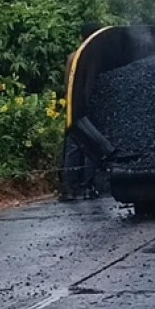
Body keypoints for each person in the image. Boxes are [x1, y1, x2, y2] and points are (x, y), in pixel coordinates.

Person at [61, 22, 103, 201]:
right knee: (92, 146)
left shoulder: (73, 57)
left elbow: (67, 84)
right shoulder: (99, 58)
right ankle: (88, 187)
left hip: (74, 107)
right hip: (93, 107)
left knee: (74, 146)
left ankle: (69, 188)